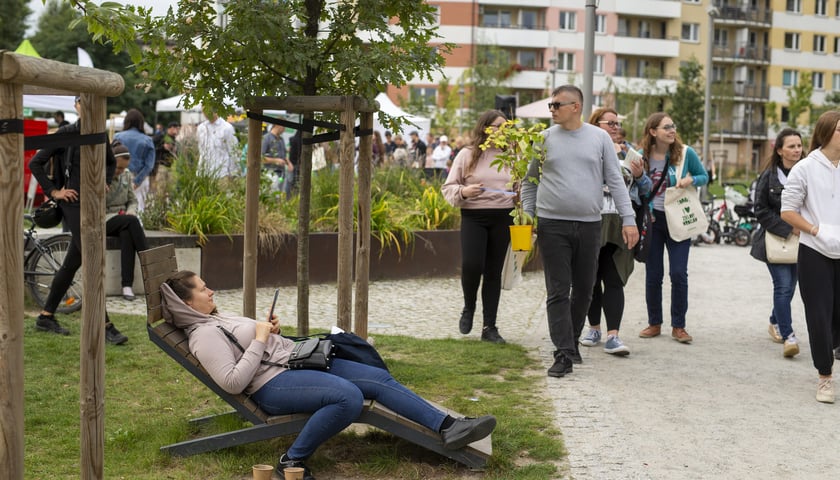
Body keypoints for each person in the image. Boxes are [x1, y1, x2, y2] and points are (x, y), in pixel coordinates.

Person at [161, 271, 497, 478]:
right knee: (347, 398)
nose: (211, 291)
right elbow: (233, 381)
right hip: (271, 385)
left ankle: (451, 428)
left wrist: (270, 332)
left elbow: (249, 342)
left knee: (375, 378)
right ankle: (292, 461)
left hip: (294, 362)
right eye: (203, 289)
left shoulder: (214, 318)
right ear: (187, 303)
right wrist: (262, 339)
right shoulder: (203, 335)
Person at [521, 85, 639, 378]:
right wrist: (527, 215)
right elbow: (529, 181)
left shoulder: (599, 138)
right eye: (550, 105)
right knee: (558, 290)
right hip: (552, 224)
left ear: (576, 106)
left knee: (585, 290)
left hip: (589, 224)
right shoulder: (544, 139)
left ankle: (570, 341)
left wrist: (629, 218)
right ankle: (562, 353)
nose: (552, 110)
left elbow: (615, 179)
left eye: (556, 105)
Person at [28, 96, 128, 345]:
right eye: (82, 100)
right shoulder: (66, 132)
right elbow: (35, 162)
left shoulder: (99, 132)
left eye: (92, 100)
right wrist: (54, 192)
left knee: (73, 261)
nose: (88, 104)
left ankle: (46, 315)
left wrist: (105, 181)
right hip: (72, 204)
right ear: (77, 106)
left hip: (93, 204)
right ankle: (104, 324)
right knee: (93, 258)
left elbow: (110, 161)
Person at [579, 108, 651, 356]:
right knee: (590, 280)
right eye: (609, 122)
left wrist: (640, 175)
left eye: (617, 123)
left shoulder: (630, 152)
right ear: (595, 124)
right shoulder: (585, 148)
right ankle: (594, 329)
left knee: (614, 278)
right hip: (591, 220)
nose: (614, 127)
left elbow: (646, 189)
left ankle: (613, 336)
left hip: (621, 223)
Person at [780, 110, 840, 404]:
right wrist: (815, 230)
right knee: (818, 314)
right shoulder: (804, 168)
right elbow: (787, 211)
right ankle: (825, 377)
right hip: (815, 251)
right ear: (827, 132)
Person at [441, 110, 513, 344]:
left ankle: (489, 327)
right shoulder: (468, 154)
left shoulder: (511, 154)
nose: (502, 131)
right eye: (497, 126)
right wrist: (464, 191)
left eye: (505, 127)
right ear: (484, 128)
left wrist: (521, 195)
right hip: (474, 215)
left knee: (493, 273)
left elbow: (522, 186)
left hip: (504, 216)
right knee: (472, 265)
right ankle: (469, 306)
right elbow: (449, 187)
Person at [636, 112, 708, 344]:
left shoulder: (686, 153)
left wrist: (690, 180)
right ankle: (654, 323)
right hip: (653, 220)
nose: (672, 130)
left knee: (678, 273)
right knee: (653, 274)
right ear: (653, 131)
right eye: (666, 127)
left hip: (677, 218)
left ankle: (679, 326)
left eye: (673, 126)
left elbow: (704, 176)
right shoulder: (641, 155)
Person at [749, 128, 804, 357]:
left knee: (790, 287)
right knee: (783, 285)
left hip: (804, 240)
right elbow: (760, 210)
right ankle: (788, 335)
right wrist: (789, 227)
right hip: (776, 239)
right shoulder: (768, 175)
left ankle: (774, 320)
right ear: (779, 150)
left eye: (799, 145)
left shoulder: (807, 172)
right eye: (791, 146)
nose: (796, 150)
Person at [107, 143, 149, 301]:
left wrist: (131, 211)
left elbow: (132, 200)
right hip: (104, 218)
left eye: (123, 168)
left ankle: (127, 286)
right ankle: (149, 264)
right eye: (118, 168)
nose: (120, 171)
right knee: (131, 222)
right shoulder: (103, 174)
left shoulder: (127, 175)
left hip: (123, 218)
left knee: (127, 235)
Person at [114, 109, 156, 213]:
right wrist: (137, 181)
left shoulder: (117, 136)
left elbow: (112, 159)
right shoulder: (148, 140)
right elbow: (149, 165)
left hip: (119, 175)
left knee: (119, 208)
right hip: (140, 178)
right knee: (139, 209)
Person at [197, 107, 240, 178]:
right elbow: (201, 150)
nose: (206, 113)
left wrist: (234, 174)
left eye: (208, 109)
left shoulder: (227, 128)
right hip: (203, 174)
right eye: (203, 110)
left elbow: (233, 151)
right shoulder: (201, 128)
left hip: (222, 174)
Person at [151, 121, 180, 197]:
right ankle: (160, 205)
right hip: (161, 164)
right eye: (176, 129)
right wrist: (162, 147)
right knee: (161, 187)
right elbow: (152, 146)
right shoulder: (161, 135)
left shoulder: (174, 139)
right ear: (171, 128)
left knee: (170, 188)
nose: (177, 131)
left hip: (171, 166)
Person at [260, 123, 287, 192]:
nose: (284, 130)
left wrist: (289, 163)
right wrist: (276, 160)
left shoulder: (281, 139)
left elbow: (283, 155)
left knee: (279, 197)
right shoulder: (266, 138)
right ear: (278, 126)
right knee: (271, 195)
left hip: (281, 174)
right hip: (270, 173)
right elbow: (261, 158)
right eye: (284, 127)